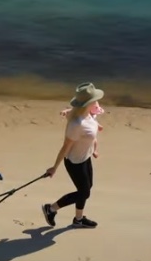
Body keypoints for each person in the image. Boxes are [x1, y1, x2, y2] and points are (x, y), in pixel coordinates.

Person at [42, 82, 104, 228]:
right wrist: (54, 168)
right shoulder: (76, 124)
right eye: (94, 100)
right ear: (87, 103)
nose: (97, 102)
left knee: (87, 188)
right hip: (75, 162)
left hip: (86, 157)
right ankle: (50, 209)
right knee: (84, 192)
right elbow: (65, 147)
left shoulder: (87, 113)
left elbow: (76, 112)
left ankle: (78, 219)